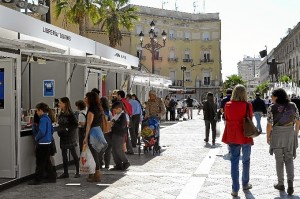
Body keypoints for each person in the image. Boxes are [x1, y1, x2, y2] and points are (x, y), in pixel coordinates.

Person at [221, 85, 253, 197]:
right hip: (245, 135)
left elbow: (227, 118)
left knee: (234, 161)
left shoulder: (228, 105)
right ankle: (245, 183)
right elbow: (250, 119)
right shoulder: (248, 105)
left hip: (232, 135)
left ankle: (235, 189)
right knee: (246, 160)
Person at [266, 88, 300, 195]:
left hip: (277, 135)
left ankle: (281, 183)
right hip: (289, 134)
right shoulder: (292, 105)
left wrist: (268, 137)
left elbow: (269, 125)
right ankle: (290, 182)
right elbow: (298, 120)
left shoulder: (272, 108)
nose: (271, 98)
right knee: (289, 159)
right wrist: (295, 133)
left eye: (272, 96)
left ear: (277, 97)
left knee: (279, 160)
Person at [28, 103, 56, 185]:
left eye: (37, 110)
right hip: (48, 142)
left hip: (42, 143)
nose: (36, 112)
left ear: (40, 110)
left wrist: (37, 137)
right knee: (47, 161)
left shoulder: (42, 119)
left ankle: (37, 179)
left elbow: (42, 131)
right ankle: (51, 177)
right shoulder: (48, 118)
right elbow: (52, 130)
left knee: (40, 162)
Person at [83, 92, 108, 182]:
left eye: (86, 97)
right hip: (98, 131)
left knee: (93, 155)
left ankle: (96, 174)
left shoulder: (91, 110)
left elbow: (89, 124)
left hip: (92, 133)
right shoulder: (98, 108)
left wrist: (85, 137)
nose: (85, 99)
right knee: (95, 154)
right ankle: (94, 173)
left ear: (90, 99)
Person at [57, 97, 80, 179]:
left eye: (60, 102)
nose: (58, 104)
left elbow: (75, 124)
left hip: (69, 136)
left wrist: (67, 129)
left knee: (73, 153)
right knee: (64, 154)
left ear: (65, 103)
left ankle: (78, 171)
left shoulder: (70, 113)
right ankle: (65, 172)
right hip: (63, 136)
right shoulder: (61, 113)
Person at [110, 101, 130, 171]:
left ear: (119, 108)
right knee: (114, 150)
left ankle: (126, 162)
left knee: (118, 149)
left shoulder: (123, 115)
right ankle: (118, 164)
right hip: (115, 134)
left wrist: (114, 123)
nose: (114, 111)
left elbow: (122, 125)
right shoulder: (117, 115)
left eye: (115, 109)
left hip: (119, 134)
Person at [117, 90, 134, 155]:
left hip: (123, 120)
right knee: (126, 134)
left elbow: (120, 112)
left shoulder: (121, 102)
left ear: (119, 95)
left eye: (117, 95)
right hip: (128, 119)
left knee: (124, 135)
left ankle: (126, 149)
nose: (116, 96)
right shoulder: (127, 102)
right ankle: (128, 149)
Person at [99, 96, 113, 169]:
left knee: (101, 148)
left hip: (101, 131)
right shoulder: (109, 112)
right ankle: (107, 164)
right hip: (109, 131)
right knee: (108, 149)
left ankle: (100, 162)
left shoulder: (100, 112)